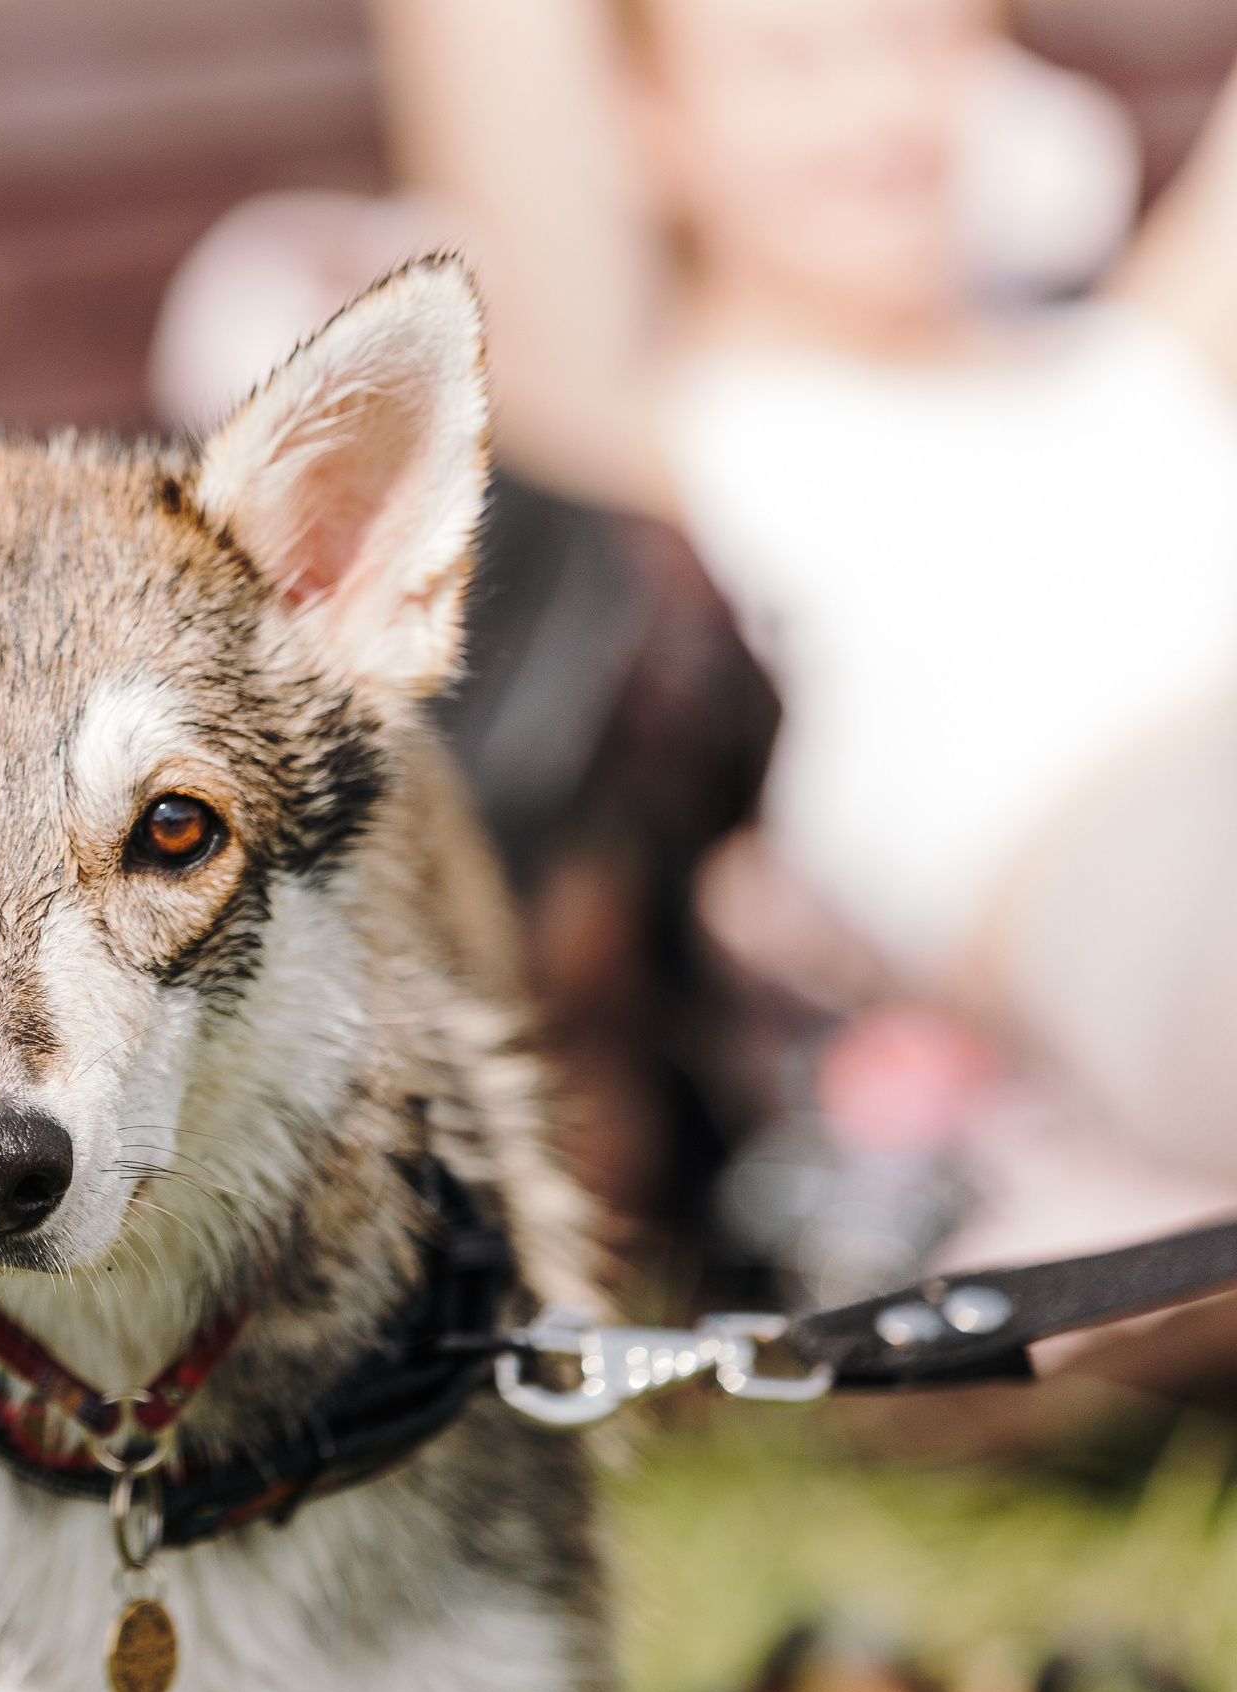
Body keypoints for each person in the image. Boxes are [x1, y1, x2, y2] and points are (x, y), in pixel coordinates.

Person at [158, 0, 1237, 1380]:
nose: (882, 110)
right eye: (796, 63)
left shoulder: (1146, 354)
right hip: (1132, 893)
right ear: (649, 130)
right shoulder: (654, 434)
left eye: (922, 44)